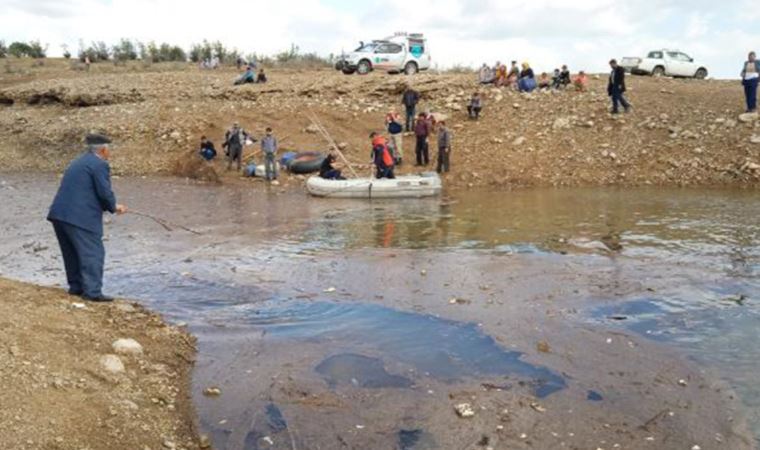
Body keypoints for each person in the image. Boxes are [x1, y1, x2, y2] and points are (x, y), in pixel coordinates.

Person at [47, 133, 127, 302]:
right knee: (93, 253)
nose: (109, 153)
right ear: (104, 150)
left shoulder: (79, 161)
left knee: (72, 252)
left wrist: (111, 205)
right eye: (109, 150)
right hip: (80, 217)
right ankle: (92, 292)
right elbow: (104, 192)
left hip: (60, 214)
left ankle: (77, 288)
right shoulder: (99, 164)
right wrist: (113, 207)